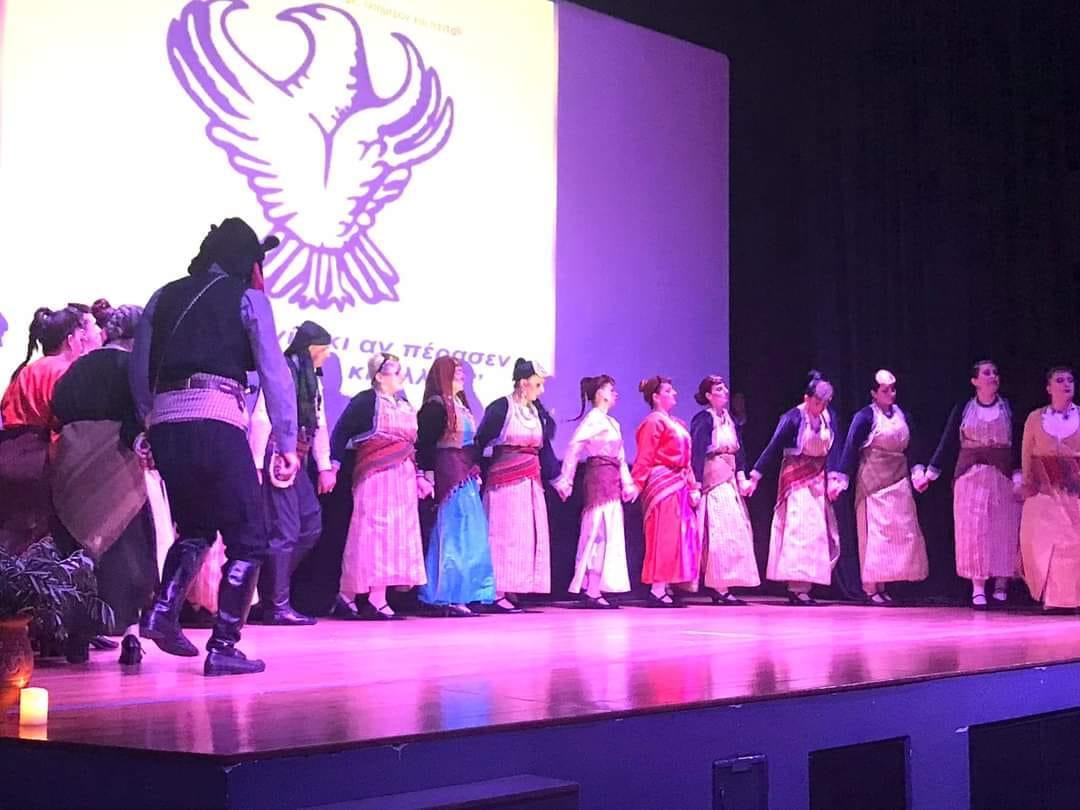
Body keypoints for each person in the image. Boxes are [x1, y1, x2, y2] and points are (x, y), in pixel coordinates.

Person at [131, 217, 297, 676]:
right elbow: (274, 371)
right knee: (249, 538)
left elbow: (140, 369)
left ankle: (162, 611)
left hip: (167, 423)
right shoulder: (248, 299)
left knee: (196, 527)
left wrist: (149, 420)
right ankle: (223, 645)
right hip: (216, 419)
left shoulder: (163, 296)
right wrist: (287, 439)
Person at [51, 306, 158, 665]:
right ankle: (131, 637)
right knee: (130, 551)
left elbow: (58, 406)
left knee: (75, 549)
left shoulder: (77, 368)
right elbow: (143, 412)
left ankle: (77, 638)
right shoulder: (134, 368)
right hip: (118, 464)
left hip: (73, 462)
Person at [248, 321, 337, 625]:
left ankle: (268, 589)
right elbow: (262, 416)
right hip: (278, 455)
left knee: (310, 525)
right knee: (284, 531)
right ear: (312, 348)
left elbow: (319, 424)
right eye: (324, 349)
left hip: (298, 456)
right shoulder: (283, 372)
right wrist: (257, 463)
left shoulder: (313, 380)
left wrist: (324, 465)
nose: (327, 355)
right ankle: (277, 604)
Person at [330, 352, 430, 620]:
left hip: (402, 480)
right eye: (396, 372)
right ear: (379, 376)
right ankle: (351, 595)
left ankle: (374, 597)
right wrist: (333, 465)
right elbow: (341, 432)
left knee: (397, 538)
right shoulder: (366, 401)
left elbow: (413, 445)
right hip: (376, 477)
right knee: (371, 535)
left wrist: (420, 476)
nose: (401, 377)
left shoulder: (404, 404)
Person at [924, 360, 1022, 608]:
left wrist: (1019, 473)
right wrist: (931, 472)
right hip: (970, 477)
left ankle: (1001, 584)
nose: (993, 376)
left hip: (1001, 476)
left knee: (1004, 528)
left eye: (995, 372)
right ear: (975, 381)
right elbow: (948, 440)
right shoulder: (964, 408)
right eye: (986, 373)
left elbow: (1018, 441)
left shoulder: (1008, 408)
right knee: (974, 531)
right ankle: (978, 586)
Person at [749, 371, 844, 606]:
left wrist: (834, 478)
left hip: (817, 479)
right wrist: (755, 476)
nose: (821, 407)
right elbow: (773, 447)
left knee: (816, 532)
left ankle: (806, 586)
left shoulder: (829, 417)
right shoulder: (793, 417)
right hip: (795, 479)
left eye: (825, 403)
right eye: (817, 402)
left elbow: (834, 450)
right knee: (799, 529)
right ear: (806, 398)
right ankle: (796, 587)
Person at [0, 306, 89, 553]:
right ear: (70, 340)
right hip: (39, 465)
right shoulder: (64, 372)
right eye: (81, 337)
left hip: (7, 458)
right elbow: (63, 424)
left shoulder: (26, 371)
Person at [838, 370, 930, 605]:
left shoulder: (903, 415)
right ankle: (871, 587)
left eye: (893, 389)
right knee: (875, 536)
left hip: (899, 481)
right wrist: (841, 478)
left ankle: (884, 584)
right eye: (885, 390)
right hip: (873, 484)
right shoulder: (864, 417)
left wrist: (918, 471)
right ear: (874, 393)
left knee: (898, 534)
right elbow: (850, 447)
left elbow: (914, 447)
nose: (891, 394)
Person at [474, 358, 559, 613]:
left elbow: (544, 449)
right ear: (523, 383)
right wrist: (474, 470)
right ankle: (495, 591)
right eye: (537, 384)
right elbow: (479, 441)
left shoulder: (535, 412)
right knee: (503, 535)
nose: (541, 390)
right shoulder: (501, 407)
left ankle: (512, 588)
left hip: (529, 483)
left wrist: (558, 479)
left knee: (524, 537)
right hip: (505, 484)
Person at [415, 357, 496, 616]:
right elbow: (424, 444)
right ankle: (445, 594)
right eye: (456, 371)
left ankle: (469, 592)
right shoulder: (436, 407)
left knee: (471, 534)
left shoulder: (461, 405)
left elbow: (472, 444)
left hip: (465, 473)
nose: (461, 375)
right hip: (447, 472)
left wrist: (475, 467)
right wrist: (426, 475)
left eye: (462, 371)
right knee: (452, 533)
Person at [552, 374, 637, 608]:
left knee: (609, 534)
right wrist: (566, 480)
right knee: (596, 532)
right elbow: (574, 447)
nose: (615, 393)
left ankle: (596, 588)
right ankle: (590, 589)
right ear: (599, 393)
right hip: (598, 480)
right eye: (610, 389)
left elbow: (620, 457)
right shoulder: (593, 419)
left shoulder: (613, 423)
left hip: (612, 480)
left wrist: (627, 483)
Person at [631, 376, 701, 607]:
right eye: (669, 391)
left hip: (679, 483)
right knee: (663, 536)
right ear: (656, 397)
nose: (674, 394)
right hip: (662, 484)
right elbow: (645, 456)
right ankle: (657, 589)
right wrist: (636, 483)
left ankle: (667, 586)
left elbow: (687, 460)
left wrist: (693, 485)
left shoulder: (677, 423)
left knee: (679, 536)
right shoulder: (652, 422)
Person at [690, 375, 759, 605]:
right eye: (719, 389)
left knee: (735, 532)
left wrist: (742, 478)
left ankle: (725, 585)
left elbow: (740, 453)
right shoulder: (704, 419)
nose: (725, 391)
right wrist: (696, 485)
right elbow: (696, 453)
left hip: (729, 481)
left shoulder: (730, 420)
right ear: (709, 395)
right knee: (718, 533)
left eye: (725, 387)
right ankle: (718, 587)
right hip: (713, 482)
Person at [1018, 366, 1080, 611]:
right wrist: (1027, 483)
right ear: (1048, 388)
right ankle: (1050, 599)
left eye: (1070, 380)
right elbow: (1026, 453)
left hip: (1073, 492)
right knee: (1042, 544)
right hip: (1043, 491)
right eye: (1060, 380)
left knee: (1071, 544)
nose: (1066, 384)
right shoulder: (1036, 418)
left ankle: (1070, 599)